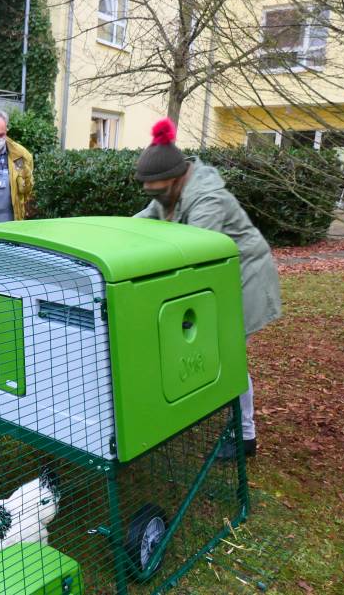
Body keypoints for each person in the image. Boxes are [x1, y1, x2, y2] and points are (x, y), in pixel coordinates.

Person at [133, 118, 281, 458]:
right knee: (210, 350)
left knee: (229, 354)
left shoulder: (207, 199)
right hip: (221, 279)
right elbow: (144, 221)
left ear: (175, 176)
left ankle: (245, 436)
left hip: (246, 278)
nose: (152, 193)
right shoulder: (170, 191)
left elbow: (194, 254)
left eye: (155, 186)